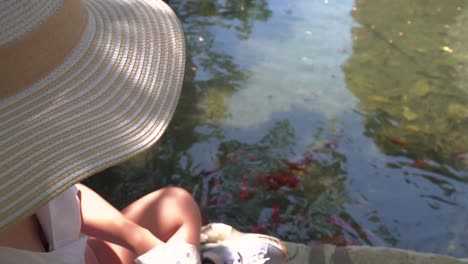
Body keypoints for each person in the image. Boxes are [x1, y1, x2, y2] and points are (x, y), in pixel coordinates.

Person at [0, 0, 287, 263]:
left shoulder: (27, 166)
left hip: (82, 254)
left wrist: (140, 240)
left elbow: (67, 195)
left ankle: (198, 253)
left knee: (177, 204)